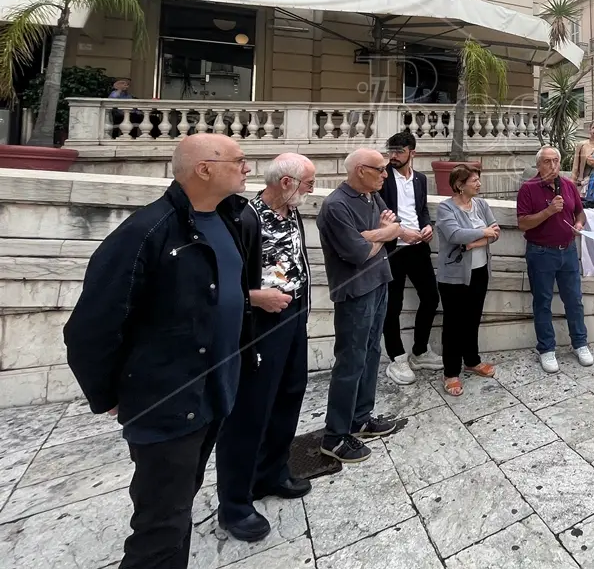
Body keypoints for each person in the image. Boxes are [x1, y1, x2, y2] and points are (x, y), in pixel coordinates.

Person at [64, 134, 257, 569]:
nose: (247, 168)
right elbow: (88, 329)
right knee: (160, 527)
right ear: (204, 169)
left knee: (180, 504)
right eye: (239, 160)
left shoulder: (231, 219)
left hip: (214, 392)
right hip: (168, 401)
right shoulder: (146, 230)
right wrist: (111, 395)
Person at [216, 153, 316, 542]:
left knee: (290, 394)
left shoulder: (292, 210)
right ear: (287, 182)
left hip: (293, 319)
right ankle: (234, 503)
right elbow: (221, 280)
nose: (311, 189)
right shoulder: (244, 216)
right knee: (249, 410)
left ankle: (271, 473)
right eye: (307, 182)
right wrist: (256, 298)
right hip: (260, 324)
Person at [316, 149, 402, 463]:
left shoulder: (370, 197)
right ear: (360, 170)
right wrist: (384, 233)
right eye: (380, 169)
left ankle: (361, 418)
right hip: (355, 291)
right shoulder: (336, 205)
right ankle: (335, 435)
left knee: (371, 353)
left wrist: (377, 234)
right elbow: (357, 253)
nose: (385, 175)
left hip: (379, 282)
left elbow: (388, 231)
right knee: (350, 361)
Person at [516, 146, 594, 373]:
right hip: (541, 253)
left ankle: (580, 343)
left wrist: (579, 224)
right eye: (547, 162)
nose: (552, 166)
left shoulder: (568, 185)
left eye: (555, 161)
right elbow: (523, 223)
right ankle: (547, 349)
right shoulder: (528, 189)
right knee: (543, 302)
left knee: (574, 300)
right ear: (538, 165)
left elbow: (580, 212)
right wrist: (549, 211)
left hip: (568, 251)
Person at [379, 131, 439, 386]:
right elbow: (377, 212)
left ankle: (420, 351)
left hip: (418, 248)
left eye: (399, 152)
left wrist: (427, 227)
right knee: (392, 304)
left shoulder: (421, 179)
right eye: (390, 151)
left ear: (412, 153)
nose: (393, 157)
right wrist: (403, 231)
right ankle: (397, 357)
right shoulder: (382, 177)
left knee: (431, 297)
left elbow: (421, 209)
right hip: (392, 249)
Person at [435, 166, 502, 395]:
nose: (478, 184)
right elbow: (454, 235)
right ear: (459, 184)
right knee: (453, 324)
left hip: (479, 270)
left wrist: (473, 243)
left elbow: (495, 232)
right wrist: (483, 234)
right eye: (474, 180)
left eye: (478, 180)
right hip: (454, 275)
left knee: (473, 318)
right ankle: (451, 372)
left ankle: (472, 360)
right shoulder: (446, 208)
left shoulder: (482, 205)